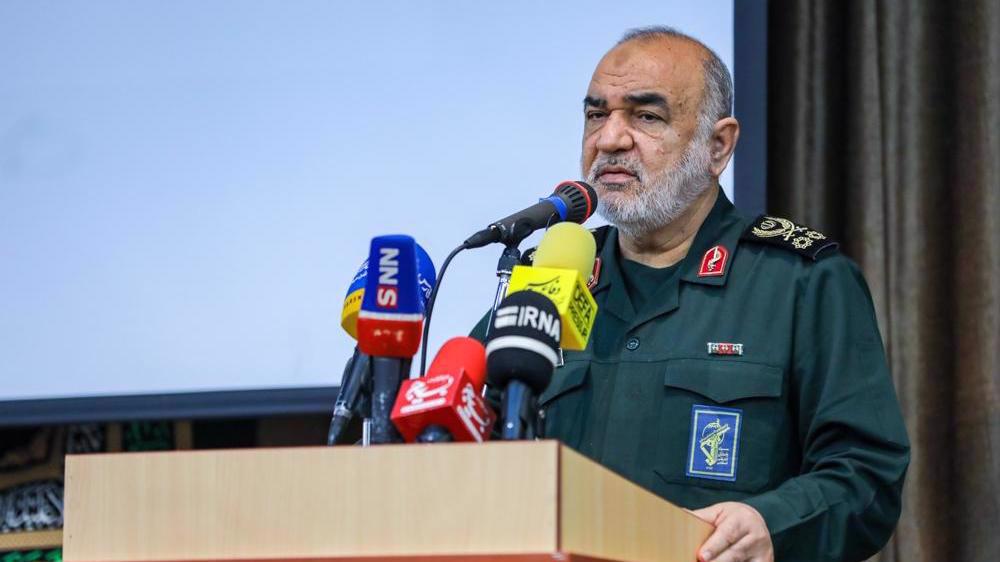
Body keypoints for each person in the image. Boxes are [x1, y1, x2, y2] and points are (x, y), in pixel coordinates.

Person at [477, 27, 910, 562]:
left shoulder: (801, 282)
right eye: (596, 115)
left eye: (646, 116)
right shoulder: (548, 276)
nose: (609, 139)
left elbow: (866, 473)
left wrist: (770, 524)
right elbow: (457, 424)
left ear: (719, 145)